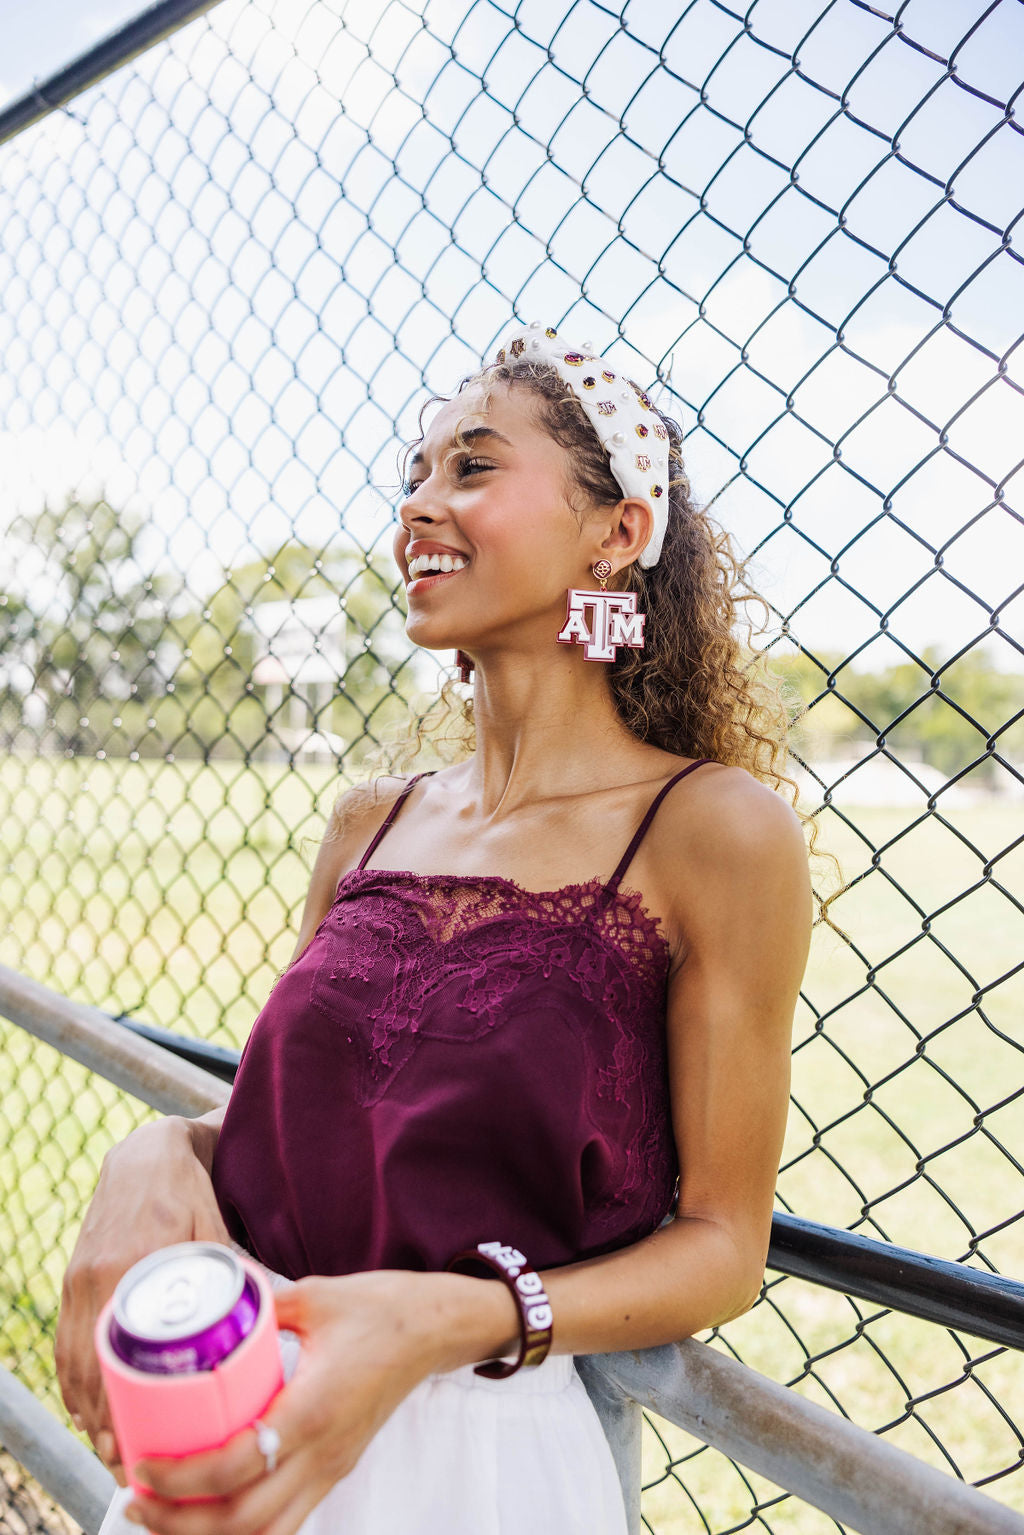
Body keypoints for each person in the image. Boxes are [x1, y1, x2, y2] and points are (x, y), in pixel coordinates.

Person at [57, 320, 817, 1535]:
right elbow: (290, 1123)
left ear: (617, 532)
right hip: (239, 1405)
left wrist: (441, 1318)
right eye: (412, 475)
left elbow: (724, 1246)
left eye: (470, 466)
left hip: (482, 1455)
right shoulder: (368, 821)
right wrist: (150, 1156)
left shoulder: (713, 832)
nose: (417, 505)